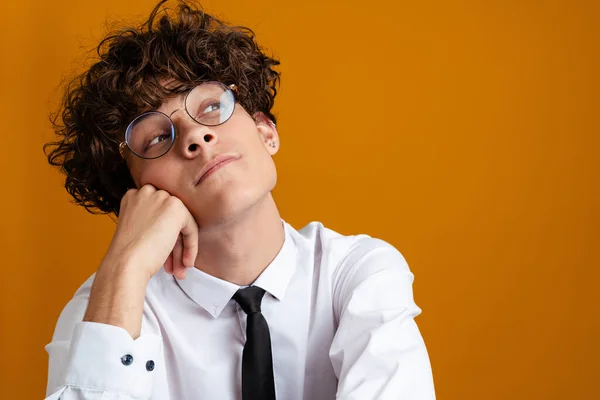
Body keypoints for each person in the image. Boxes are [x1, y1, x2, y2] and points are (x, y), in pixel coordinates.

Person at [43, 1, 436, 399]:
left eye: (211, 107)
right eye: (158, 137)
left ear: (267, 132)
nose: (196, 136)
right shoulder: (106, 308)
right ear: (136, 194)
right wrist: (124, 268)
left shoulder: (355, 274)